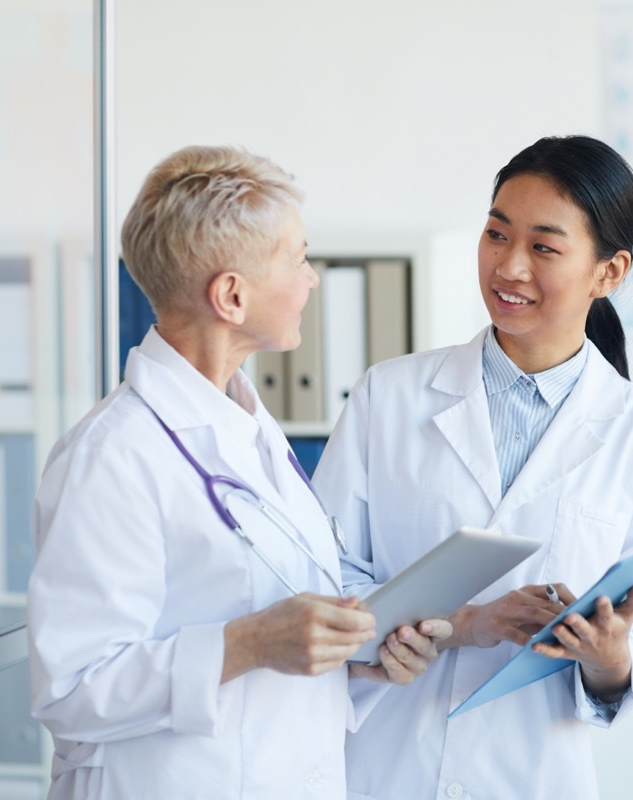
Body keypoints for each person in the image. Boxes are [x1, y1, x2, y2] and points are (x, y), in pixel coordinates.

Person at [27, 145, 448, 799]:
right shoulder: (111, 456)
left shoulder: (248, 427)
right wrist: (246, 644)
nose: (312, 279)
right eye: (299, 258)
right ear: (231, 294)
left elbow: (280, 632)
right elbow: (72, 689)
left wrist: (363, 660)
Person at [312, 135, 633, 799]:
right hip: (382, 763)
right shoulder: (390, 395)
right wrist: (455, 624)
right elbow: (324, 571)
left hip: (531, 772)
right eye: (496, 234)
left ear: (608, 273)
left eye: (544, 247)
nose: (509, 266)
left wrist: (607, 657)